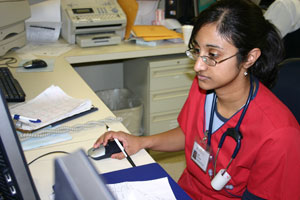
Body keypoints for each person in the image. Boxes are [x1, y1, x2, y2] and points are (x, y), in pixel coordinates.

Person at [94, 0, 300, 199]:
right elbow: (190, 133)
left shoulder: (280, 135)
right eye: (196, 50)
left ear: (249, 58)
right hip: (185, 191)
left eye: (212, 55)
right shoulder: (206, 86)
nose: (198, 66)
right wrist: (140, 142)